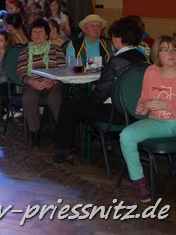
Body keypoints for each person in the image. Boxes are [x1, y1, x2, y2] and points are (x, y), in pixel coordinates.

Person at [52, 17, 146, 165]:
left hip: (117, 113)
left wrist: (86, 100)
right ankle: (107, 143)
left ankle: (66, 151)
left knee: (69, 106)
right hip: (137, 112)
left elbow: (99, 96)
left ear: (119, 38)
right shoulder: (142, 58)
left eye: (113, 36)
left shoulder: (116, 62)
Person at [120, 35, 176, 203]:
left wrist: (167, 104)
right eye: (165, 50)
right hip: (158, 122)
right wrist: (142, 106)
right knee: (126, 136)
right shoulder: (151, 71)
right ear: (157, 54)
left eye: (174, 49)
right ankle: (139, 181)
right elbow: (145, 97)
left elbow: (167, 104)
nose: (171, 53)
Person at [16, 18, 66, 148]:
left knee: (54, 98)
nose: (37, 34)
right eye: (35, 31)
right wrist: (31, 81)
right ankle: (35, 133)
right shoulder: (25, 52)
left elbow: (62, 69)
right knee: (28, 97)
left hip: (53, 81)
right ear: (31, 35)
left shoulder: (56, 50)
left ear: (47, 35)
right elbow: (21, 73)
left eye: (41, 31)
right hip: (33, 82)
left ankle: (63, 132)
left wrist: (53, 80)